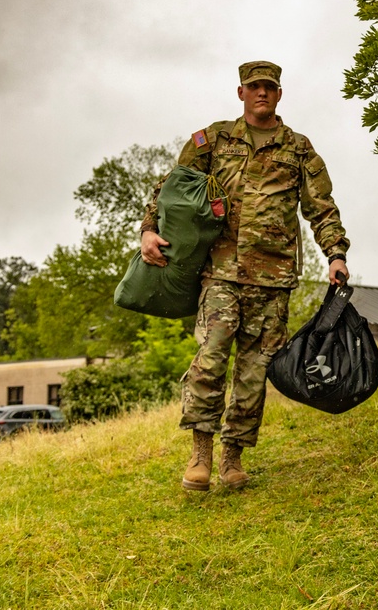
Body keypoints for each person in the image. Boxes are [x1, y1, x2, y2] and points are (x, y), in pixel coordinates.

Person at [140, 61, 350, 492]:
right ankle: (200, 454)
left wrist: (335, 254)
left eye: (269, 88)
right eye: (254, 87)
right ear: (240, 93)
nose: (262, 93)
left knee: (255, 370)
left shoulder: (299, 149)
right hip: (219, 271)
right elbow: (172, 188)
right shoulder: (213, 139)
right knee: (213, 353)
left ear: (279, 94)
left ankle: (232, 458)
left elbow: (321, 206)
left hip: (272, 278)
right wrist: (148, 230)